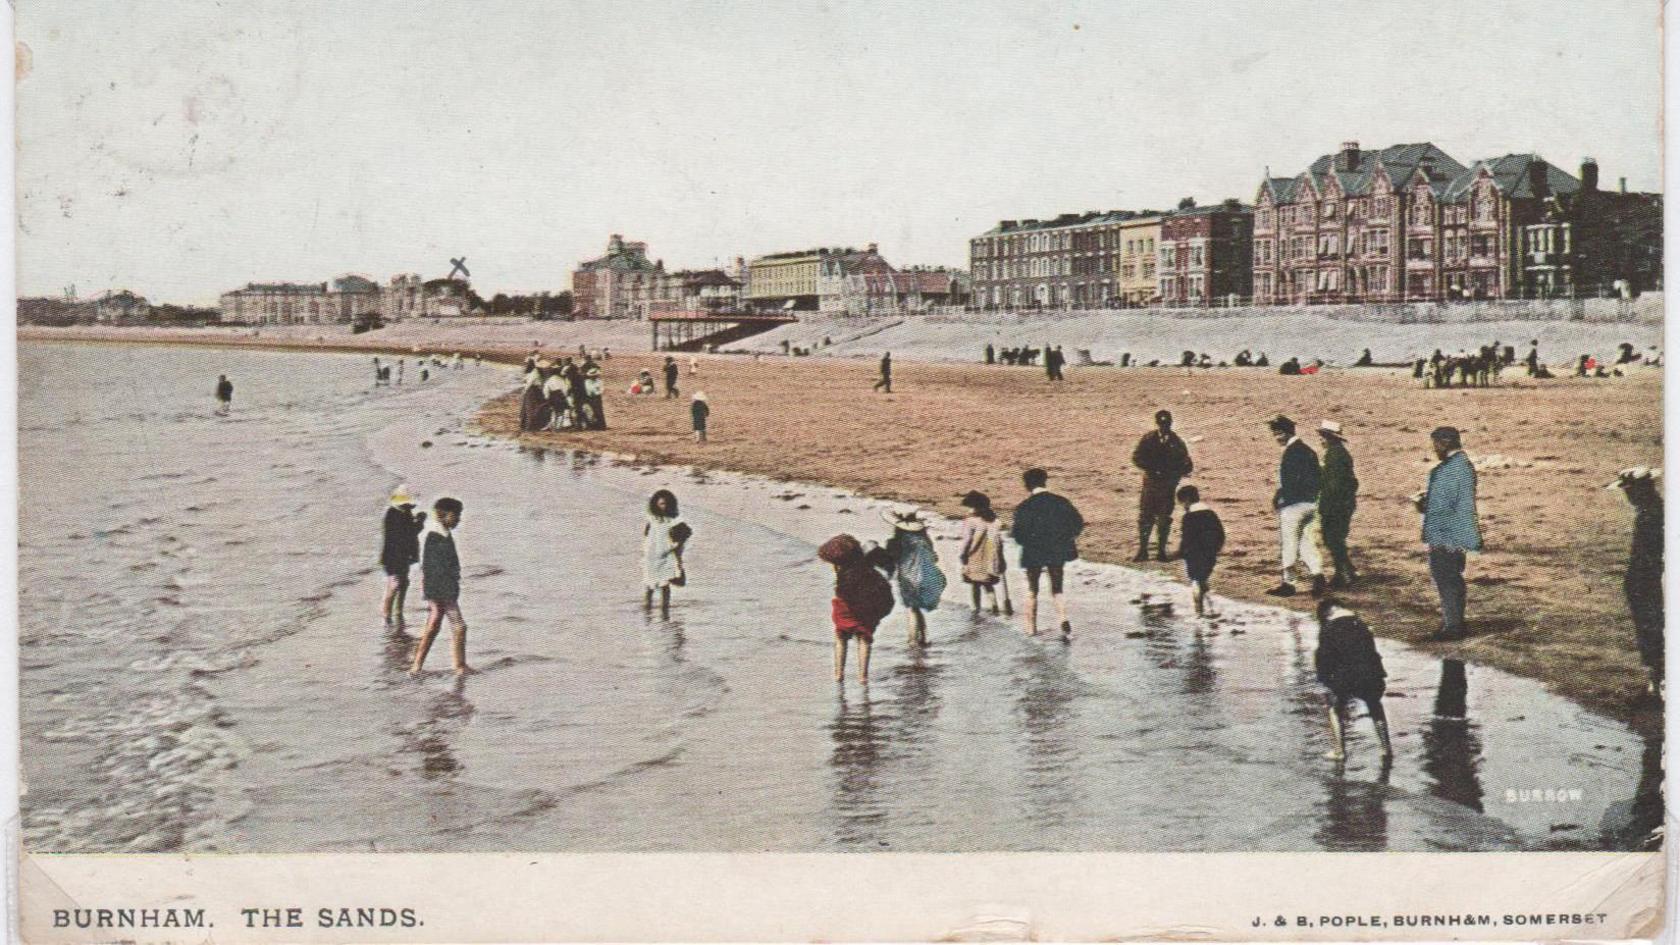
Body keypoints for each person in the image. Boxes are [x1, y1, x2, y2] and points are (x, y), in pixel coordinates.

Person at [1414, 426, 1482, 640]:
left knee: (1447, 578)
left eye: (1435, 444)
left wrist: (1426, 505)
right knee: (1450, 578)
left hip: (1447, 534)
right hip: (1450, 533)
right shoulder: (1459, 466)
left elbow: (1446, 505)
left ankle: (1454, 626)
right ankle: (1453, 622)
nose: (1434, 449)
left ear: (1444, 443)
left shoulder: (1453, 468)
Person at [1313, 599, 1393, 763]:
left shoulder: (1328, 629)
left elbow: (1323, 658)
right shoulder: (1360, 625)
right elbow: (1372, 653)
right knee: (1375, 707)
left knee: (1335, 708)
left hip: (1345, 676)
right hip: (1371, 674)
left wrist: (1325, 680)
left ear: (1325, 614)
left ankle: (1339, 752)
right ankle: (1386, 749)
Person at [1011, 468, 1084, 637]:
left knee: (1032, 589)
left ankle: (1030, 629)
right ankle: (1063, 619)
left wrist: (1029, 543)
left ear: (1027, 485)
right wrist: (1064, 539)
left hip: (1034, 550)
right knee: (1057, 588)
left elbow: (1018, 534)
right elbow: (1077, 523)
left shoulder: (1024, 506)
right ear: (1045, 481)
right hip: (1057, 548)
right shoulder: (1061, 501)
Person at [1610, 467, 1664, 699]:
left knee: (1652, 628)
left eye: (1629, 492)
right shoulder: (1654, 511)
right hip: (1646, 580)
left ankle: (1659, 681)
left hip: (1649, 581)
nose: (1627, 497)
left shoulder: (1652, 515)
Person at [819, 533, 895, 684]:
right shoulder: (866, 567)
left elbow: (840, 590)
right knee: (864, 639)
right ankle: (863, 677)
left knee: (840, 638)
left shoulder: (841, 570)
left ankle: (839, 674)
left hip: (845, 606)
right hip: (865, 606)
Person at [1266, 415, 1326, 597]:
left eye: (1277, 434)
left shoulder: (1291, 453)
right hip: (1311, 503)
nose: (1276, 438)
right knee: (1306, 541)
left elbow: (1291, 483)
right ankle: (1318, 575)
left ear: (1284, 433)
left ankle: (1289, 583)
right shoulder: (1308, 450)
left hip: (1294, 506)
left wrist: (1280, 497)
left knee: (1290, 544)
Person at [410, 497, 469, 675]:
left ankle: (416, 666)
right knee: (459, 626)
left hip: (437, 588)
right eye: (456, 515)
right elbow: (436, 568)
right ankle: (459, 666)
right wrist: (449, 593)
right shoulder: (437, 537)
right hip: (442, 589)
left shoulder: (439, 533)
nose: (458, 519)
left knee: (434, 625)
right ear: (444, 515)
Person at [1130, 409, 1194, 561]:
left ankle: (1161, 551)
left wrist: (1174, 475)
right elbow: (1136, 458)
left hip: (1167, 486)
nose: (1164, 426)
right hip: (1150, 484)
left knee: (1164, 518)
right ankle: (1143, 551)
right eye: (1162, 424)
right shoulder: (1148, 440)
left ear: (1170, 424)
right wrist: (1152, 469)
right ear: (1157, 423)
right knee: (1145, 517)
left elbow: (1187, 464)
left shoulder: (1177, 442)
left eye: (1167, 424)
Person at [878, 510, 946, 646]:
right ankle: (924, 637)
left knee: (911, 608)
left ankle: (913, 640)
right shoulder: (924, 539)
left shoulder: (896, 542)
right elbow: (934, 557)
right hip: (927, 576)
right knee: (917, 608)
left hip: (908, 578)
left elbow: (890, 562)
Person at [1317, 420, 1360, 587]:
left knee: (1332, 539)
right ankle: (1348, 570)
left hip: (1336, 505)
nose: (1321, 440)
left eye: (1323, 437)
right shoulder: (1338, 453)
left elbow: (1333, 485)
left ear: (1329, 438)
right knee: (1336, 539)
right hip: (1343, 503)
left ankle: (1341, 575)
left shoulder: (1334, 455)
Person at [1173, 484, 1224, 617]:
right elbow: (1220, 533)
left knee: (1196, 581)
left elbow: (1187, 539)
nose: (1183, 506)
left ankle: (1199, 612)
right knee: (1203, 578)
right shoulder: (1211, 513)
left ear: (1187, 500)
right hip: (1210, 552)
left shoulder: (1189, 518)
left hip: (1195, 554)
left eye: (1182, 503)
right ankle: (1211, 607)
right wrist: (1216, 548)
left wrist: (1180, 553)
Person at [379, 485, 426, 628]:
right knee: (394, 585)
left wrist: (417, 522)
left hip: (403, 555)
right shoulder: (393, 515)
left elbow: (410, 533)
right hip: (393, 556)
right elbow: (408, 533)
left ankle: (398, 610)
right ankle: (386, 612)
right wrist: (419, 523)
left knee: (404, 582)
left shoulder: (403, 513)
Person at [642, 489, 691, 616]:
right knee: (649, 586)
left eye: (665, 504)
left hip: (666, 556)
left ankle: (665, 611)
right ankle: (648, 613)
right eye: (661, 504)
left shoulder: (673, 519)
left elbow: (687, 532)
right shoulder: (652, 519)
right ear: (655, 504)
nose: (663, 506)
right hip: (652, 557)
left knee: (664, 586)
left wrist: (676, 545)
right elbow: (648, 535)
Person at [958, 491, 1007, 614]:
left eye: (969, 507)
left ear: (975, 507)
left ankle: (976, 609)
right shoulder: (994, 520)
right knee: (987, 583)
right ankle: (994, 606)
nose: (968, 510)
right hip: (991, 556)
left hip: (975, 556)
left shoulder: (970, 521)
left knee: (975, 584)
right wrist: (1001, 558)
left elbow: (967, 540)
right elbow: (999, 541)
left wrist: (963, 555)